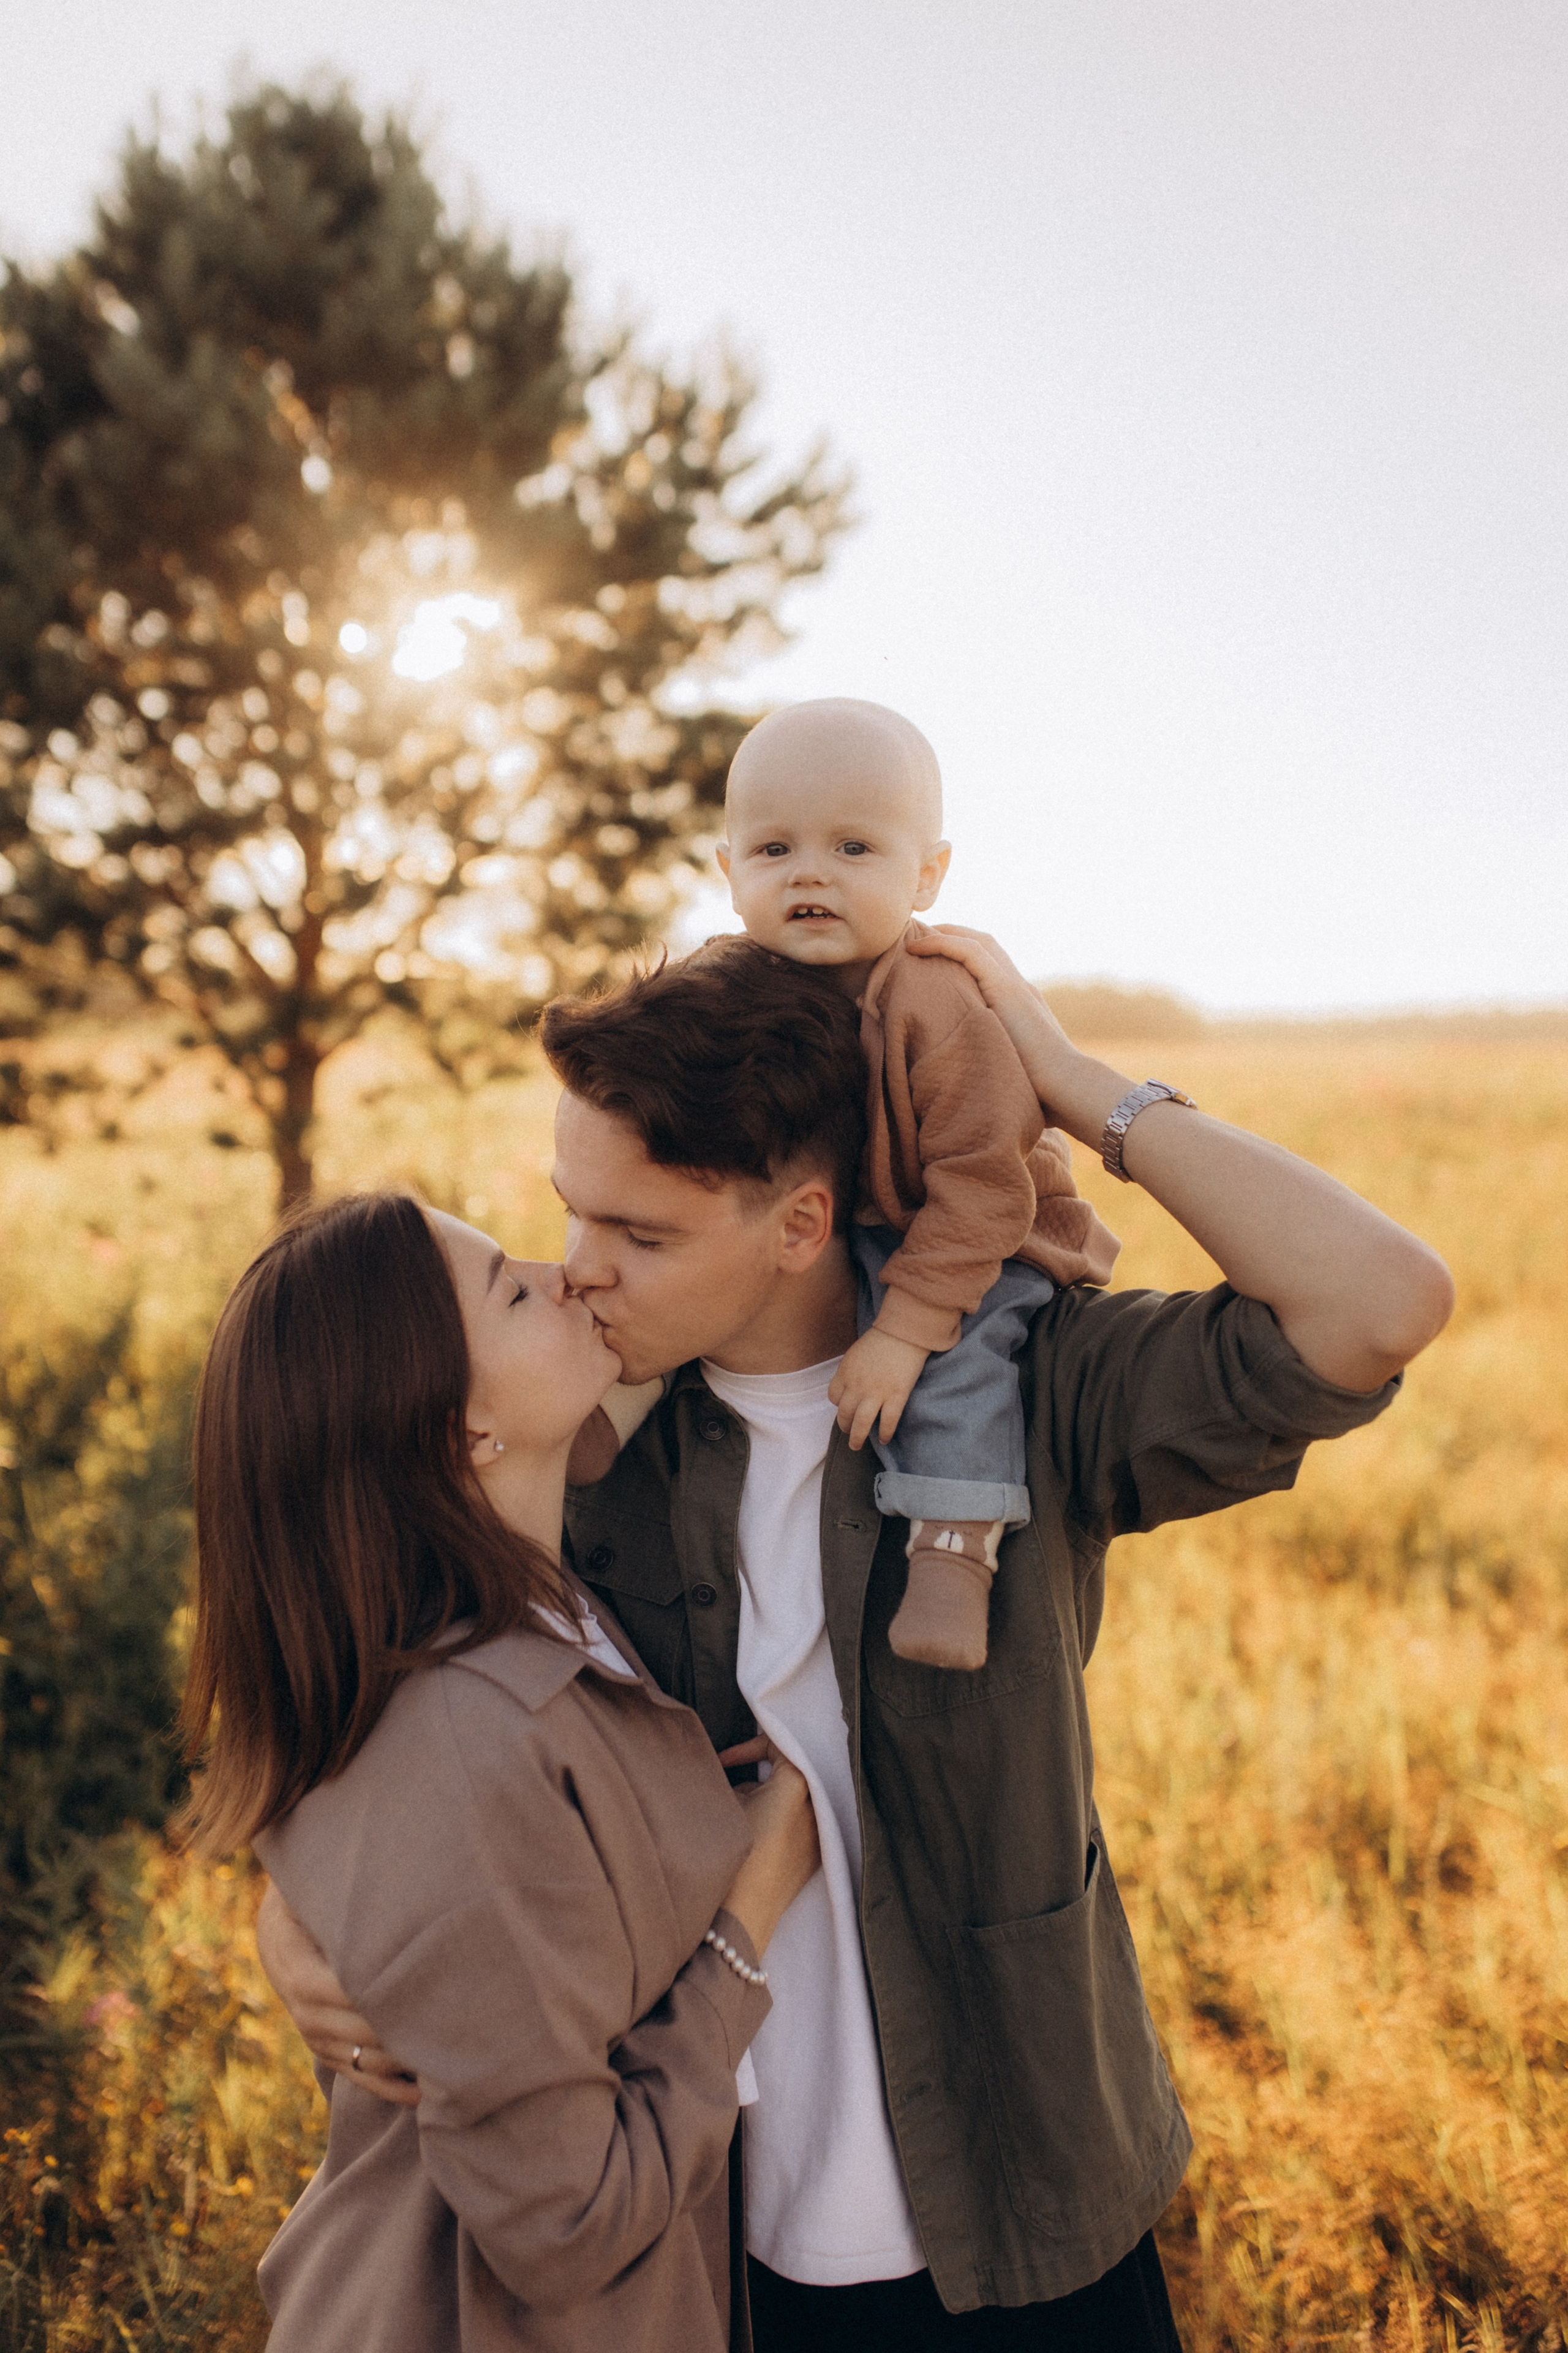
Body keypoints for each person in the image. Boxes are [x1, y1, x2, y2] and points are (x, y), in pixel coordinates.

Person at [260, 934, 1453, 2351]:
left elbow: (1378, 1304)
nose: (579, 1274)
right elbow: (377, 1689)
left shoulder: (1024, 1387)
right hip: (716, 2232)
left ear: (801, 1223)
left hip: (1026, 2187)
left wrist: (1074, 1086)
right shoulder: (575, 1448)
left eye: (639, 1237)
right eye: (571, 1214)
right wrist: (299, 1922)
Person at [181, 1188, 820, 2352]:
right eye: (515, 1288)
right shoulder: (462, 1751)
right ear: (458, 1432)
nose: (566, 1270)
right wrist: (749, 1913)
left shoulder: (537, 1606)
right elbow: (567, 2226)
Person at [722, 697, 1120, 1670]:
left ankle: (955, 1547)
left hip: (985, 1234)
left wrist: (901, 1333)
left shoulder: (938, 1001)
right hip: (849, 1229)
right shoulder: (735, 985)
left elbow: (988, 1189)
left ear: (926, 874)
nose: (810, 872)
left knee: (962, 1358)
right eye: (774, 850)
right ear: (728, 872)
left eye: (855, 848)